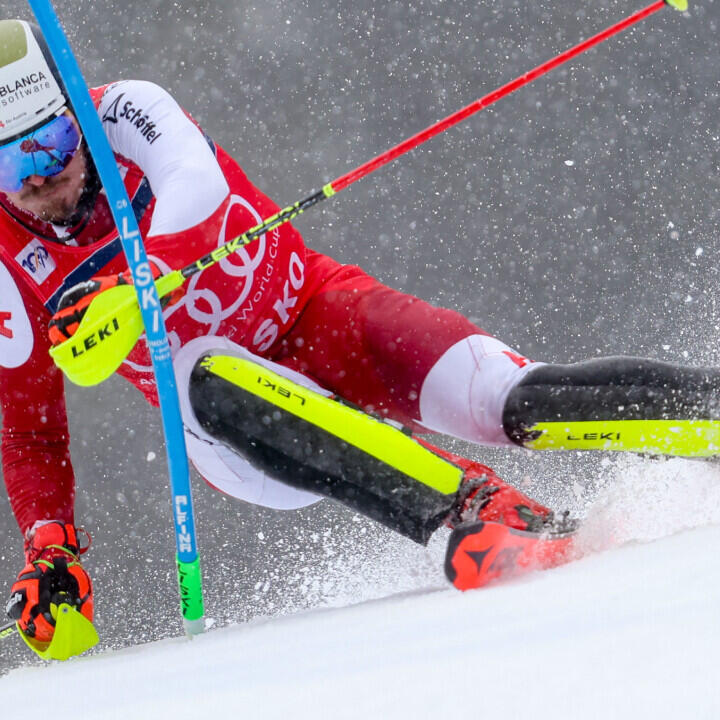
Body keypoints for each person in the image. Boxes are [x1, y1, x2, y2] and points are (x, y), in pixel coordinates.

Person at [1, 19, 718, 655]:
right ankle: (473, 513)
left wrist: (139, 281)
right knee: (200, 365)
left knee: (507, 397)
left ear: (76, 110)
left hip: (318, 310)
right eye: (12, 165)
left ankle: (706, 418)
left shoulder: (126, 111)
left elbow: (198, 182)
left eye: (53, 142)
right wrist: (51, 549)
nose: (43, 180)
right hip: (232, 431)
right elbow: (28, 429)